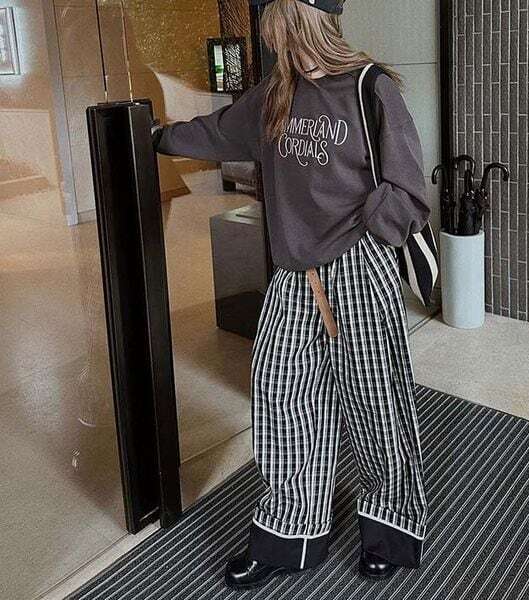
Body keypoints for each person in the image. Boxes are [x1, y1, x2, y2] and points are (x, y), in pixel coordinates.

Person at [152, 0, 430, 590]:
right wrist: (154, 137)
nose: (269, 33)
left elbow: (407, 187)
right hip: (294, 276)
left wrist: (366, 237)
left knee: (376, 403)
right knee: (281, 395)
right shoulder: (274, 95)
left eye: (276, 20)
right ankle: (290, 533)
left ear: (302, 20)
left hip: (358, 268)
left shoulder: (370, 88)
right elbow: (215, 133)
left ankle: (390, 528)